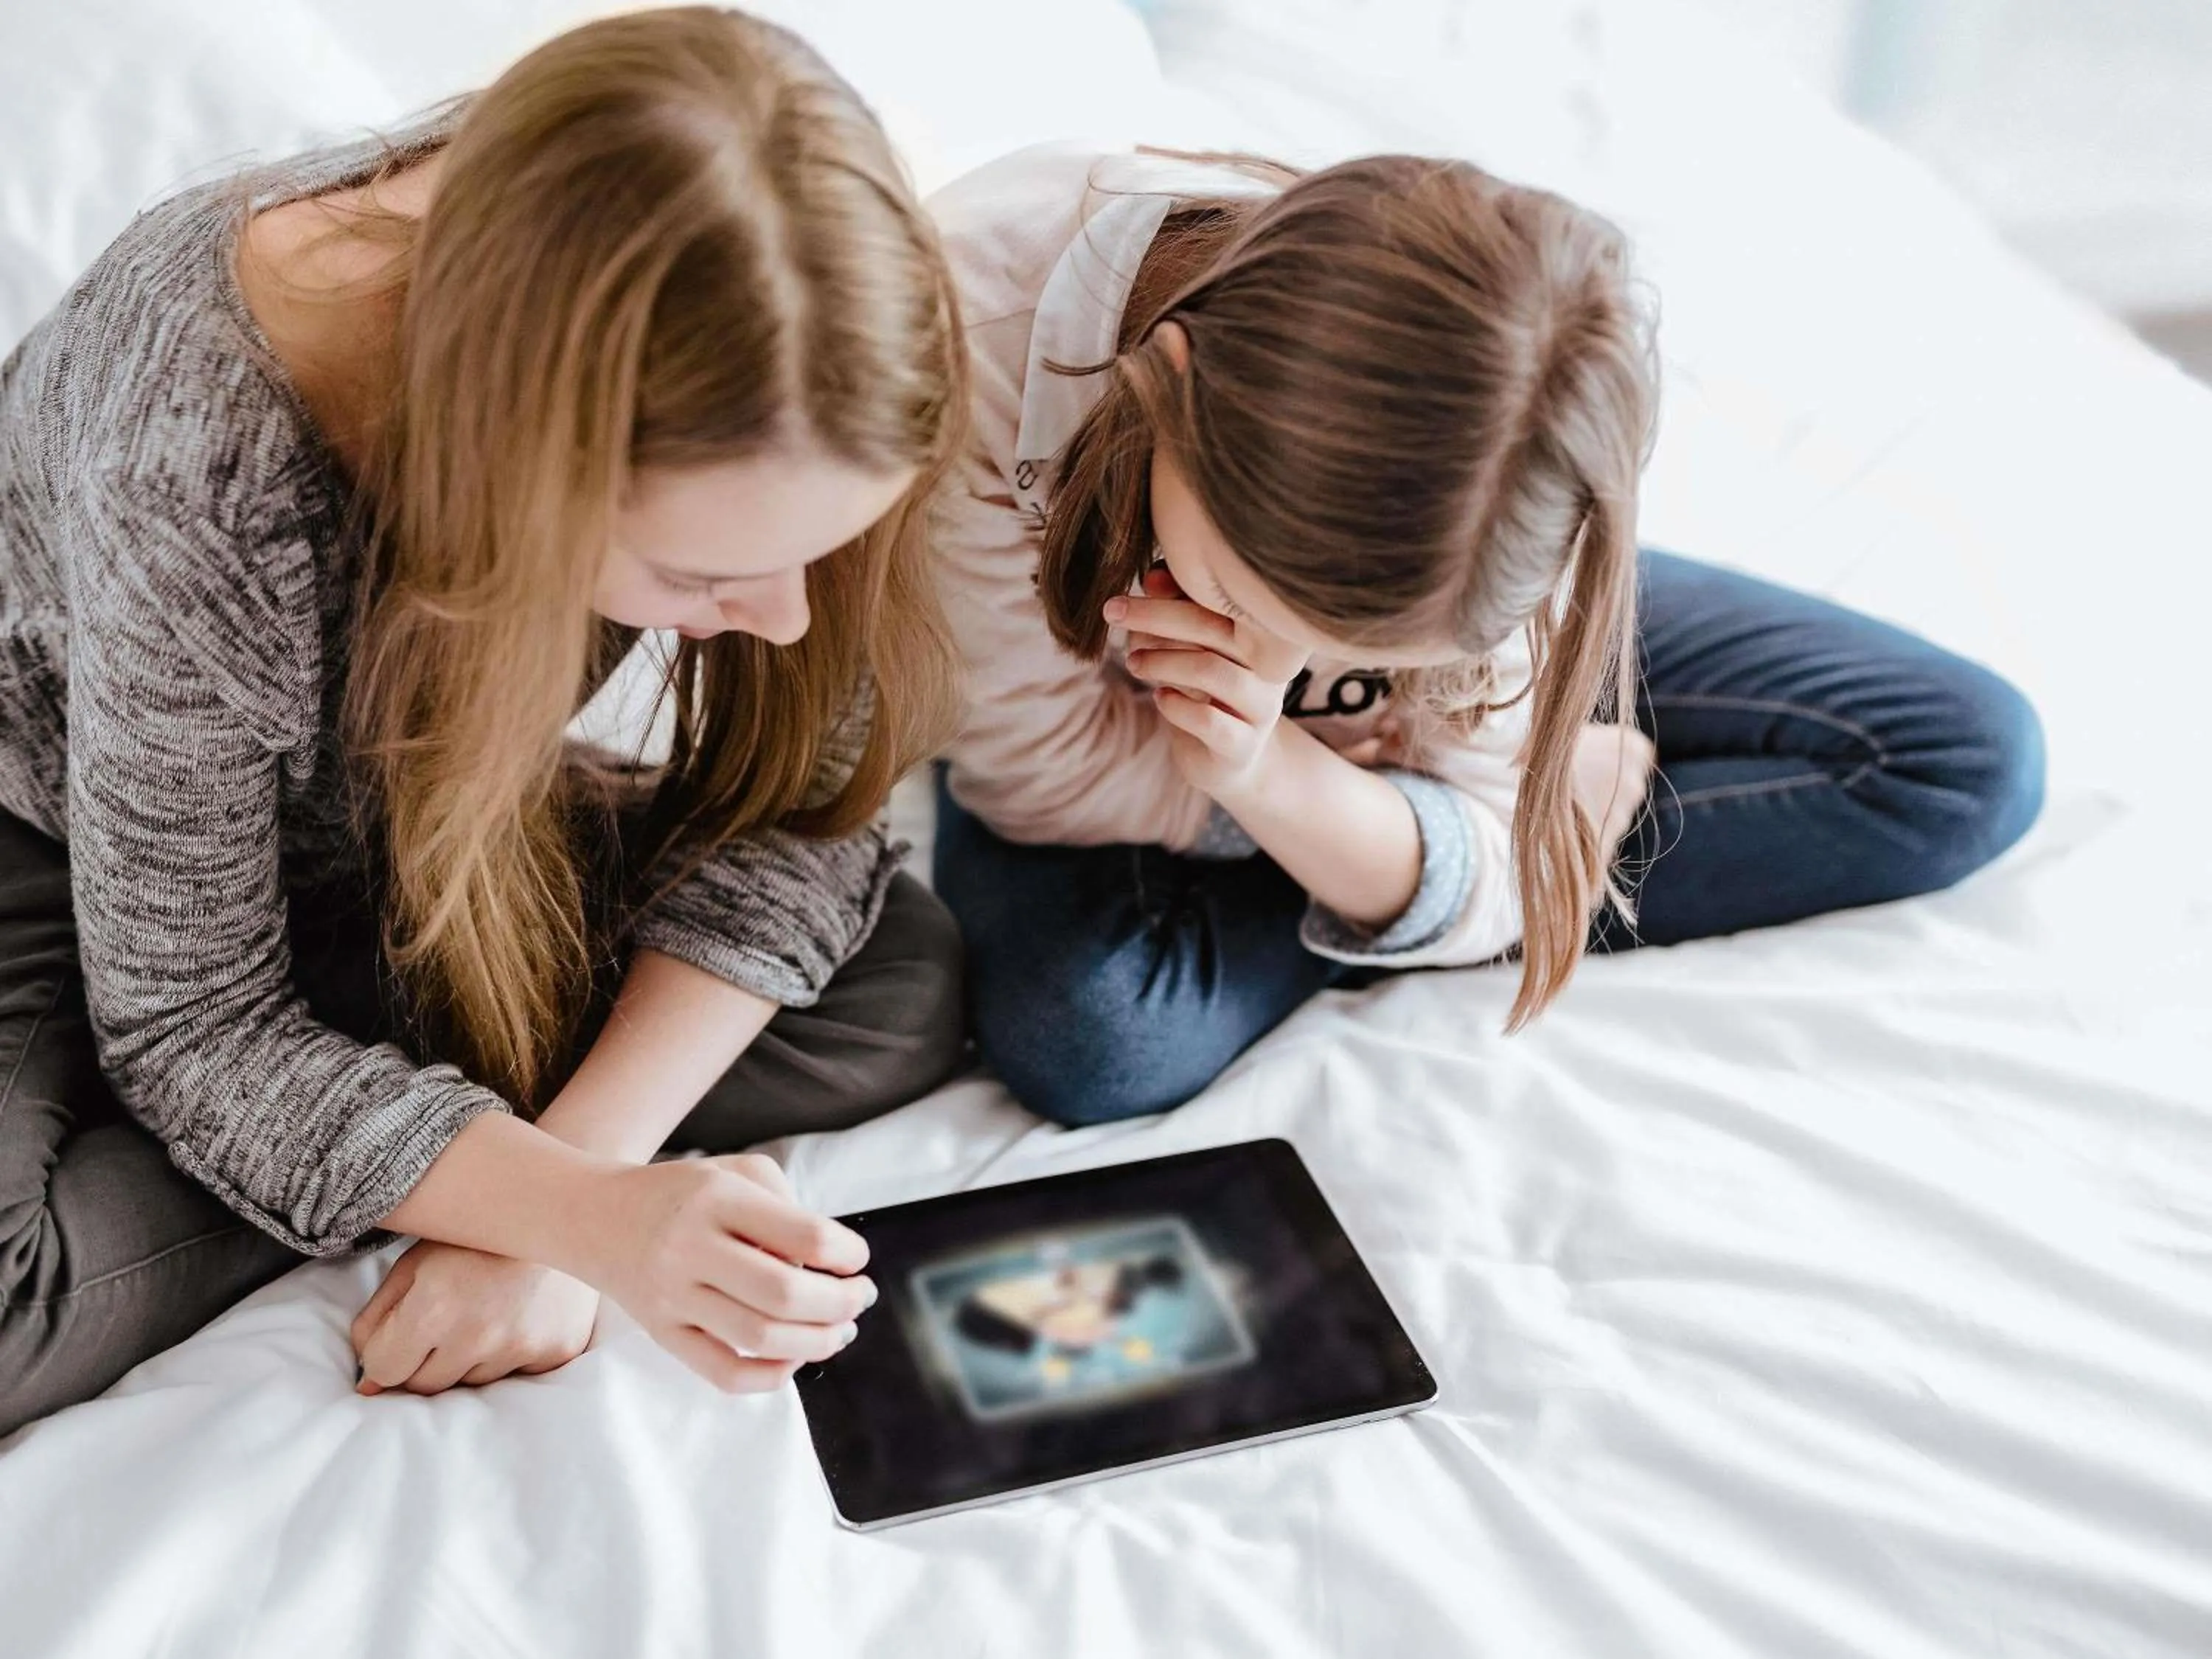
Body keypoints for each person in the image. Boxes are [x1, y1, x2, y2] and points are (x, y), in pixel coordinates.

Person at [0, 7, 970, 1438]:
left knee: (903, 975)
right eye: (699, 577)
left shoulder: (781, 278)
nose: (785, 624)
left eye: (821, 553)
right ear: (509, 472)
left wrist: (572, 1189)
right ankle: (336, 1122)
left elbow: (814, 795)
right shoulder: (199, 472)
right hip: (52, 829)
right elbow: (195, 1020)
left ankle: (357, 1123)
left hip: (399, 809)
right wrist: (587, 1216)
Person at [925, 145, 2046, 1127]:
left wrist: (1280, 772)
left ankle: (1421, 866)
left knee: (1966, 763)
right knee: (1094, 1037)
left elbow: (1459, 716)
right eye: (1234, 598)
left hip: (1400, 621)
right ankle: (1462, 864)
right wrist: (1408, 817)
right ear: (1170, 385)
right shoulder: (977, 347)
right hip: (1104, 723)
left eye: (1351, 657)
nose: (1291, 667)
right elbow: (1045, 773)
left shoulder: (1508, 444)